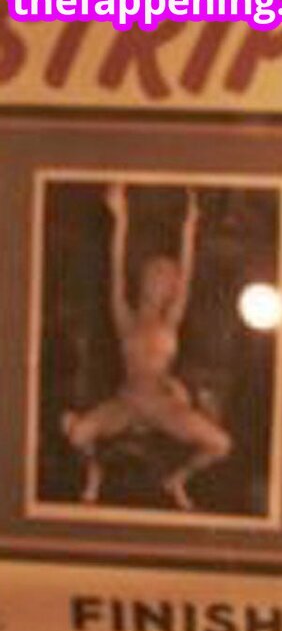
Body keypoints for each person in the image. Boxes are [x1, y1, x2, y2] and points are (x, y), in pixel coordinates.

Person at [61, 182, 232, 510]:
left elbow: (188, 271)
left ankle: (177, 480)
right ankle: (94, 472)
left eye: (164, 280)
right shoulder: (125, 317)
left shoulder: (171, 320)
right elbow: (115, 265)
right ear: (143, 281)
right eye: (153, 276)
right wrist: (120, 217)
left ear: (170, 289)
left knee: (221, 444)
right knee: (77, 433)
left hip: (165, 406)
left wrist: (189, 226)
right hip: (128, 402)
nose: (157, 283)